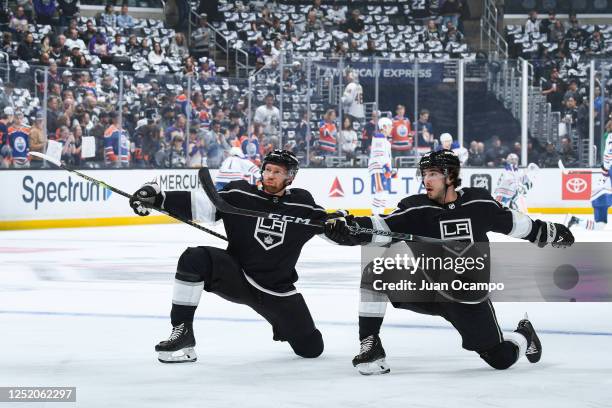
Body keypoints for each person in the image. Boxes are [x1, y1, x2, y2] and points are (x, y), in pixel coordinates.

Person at [324, 149, 574, 374]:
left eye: (433, 173)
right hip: (428, 288)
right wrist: (347, 229)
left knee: (501, 359)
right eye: (424, 174)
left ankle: (524, 335)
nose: (426, 180)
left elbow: (517, 225)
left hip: (467, 298)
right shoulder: (415, 209)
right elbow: (379, 228)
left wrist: (550, 232)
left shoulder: (478, 203)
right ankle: (370, 345)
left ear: (451, 176)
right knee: (375, 273)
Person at [129, 150, 342, 363]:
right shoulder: (240, 194)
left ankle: (288, 326)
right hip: (237, 276)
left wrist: (340, 222)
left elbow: (330, 228)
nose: (270, 175)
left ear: (290, 177)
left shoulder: (302, 203)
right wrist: (158, 199)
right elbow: (200, 206)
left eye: (277, 172)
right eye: (267, 169)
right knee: (194, 258)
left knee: (311, 348)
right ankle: (182, 331)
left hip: (277, 292)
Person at [567, 133, 612, 231]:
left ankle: (575, 220)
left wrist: (605, 170)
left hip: (598, 195)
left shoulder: (609, 138)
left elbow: (607, 161)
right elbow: (608, 160)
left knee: (599, 226)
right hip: (604, 194)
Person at [369, 117, 395, 215]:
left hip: (384, 169)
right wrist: (387, 168)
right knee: (380, 192)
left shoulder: (386, 141)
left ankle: (380, 214)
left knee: (385, 194)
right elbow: (379, 155)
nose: (391, 128)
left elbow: (386, 157)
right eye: (389, 126)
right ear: (383, 127)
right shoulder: (378, 137)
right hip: (378, 168)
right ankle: (374, 215)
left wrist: (390, 170)